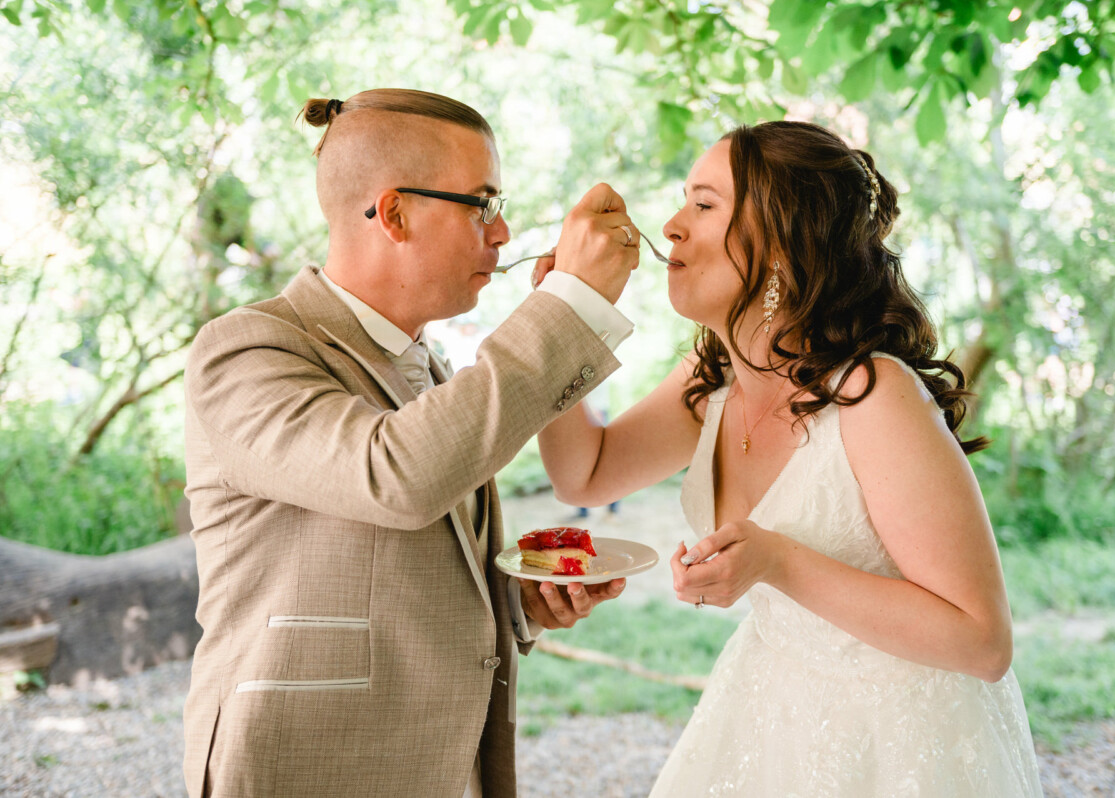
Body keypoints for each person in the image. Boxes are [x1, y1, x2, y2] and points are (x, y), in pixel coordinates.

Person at [534, 120, 1044, 796]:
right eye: (684, 201)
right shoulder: (711, 377)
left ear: (779, 248)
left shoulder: (874, 395)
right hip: (769, 718)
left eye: (704, 205)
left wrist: (775, 562)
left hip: (898, 748)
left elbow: (982, 642)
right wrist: (556, 320)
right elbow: (585, 472)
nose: (672, 225)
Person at [182, 88, 640, 798]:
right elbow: (395, 476)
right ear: (394, 213)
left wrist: (517, 601)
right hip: (304, 769)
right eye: (482, 203)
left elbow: (411, 550)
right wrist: (567, 307)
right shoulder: (247, 349)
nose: (504, 232)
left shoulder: (432, 366)